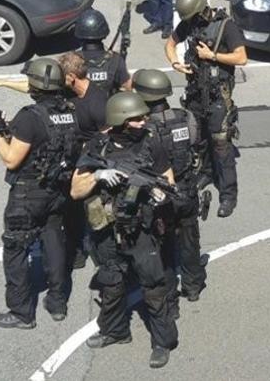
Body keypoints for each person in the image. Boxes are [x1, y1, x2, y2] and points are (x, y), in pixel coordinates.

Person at [71, 92, 178, 369]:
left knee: (153, 285)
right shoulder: (97, 147)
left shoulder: (151, 144)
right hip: (107, 228)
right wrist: (97, 175)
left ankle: (162, 342)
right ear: (120, 121)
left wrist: (160, 195)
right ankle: (115, 330)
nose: (144, 122)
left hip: (141, 227)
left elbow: (167, 178)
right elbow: (75, 189)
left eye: (144, 117)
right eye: (137, 119)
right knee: (111, 280)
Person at [0, 58, 79, 329]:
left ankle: (21, 312)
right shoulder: (70, 111)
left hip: (28, 194)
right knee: (53, 240)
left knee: (16, 247)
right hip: (57, 191)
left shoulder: (29, 117)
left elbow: (11, 159)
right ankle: (57, 302)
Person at [165, 0, 248, 218]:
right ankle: (206, 173)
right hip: (194, 95)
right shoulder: (189, 25)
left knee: (222, 145)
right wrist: (175, 64)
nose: (190, 22)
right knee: (198, 141)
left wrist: (212, 56)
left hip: (217, 96)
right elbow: (170, 44)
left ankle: (228, 195)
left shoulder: (225, 27)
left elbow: (241, 57)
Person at [133, 68, 206, 310]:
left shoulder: (143, 129)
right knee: (190, 240)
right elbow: (196, 143)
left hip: (161, 193)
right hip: (187, 188)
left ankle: (170, 301)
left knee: (163, 248)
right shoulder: (186, 117)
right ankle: (193, 287)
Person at [74, 8, 132, 96]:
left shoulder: (71, 60)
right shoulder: (116, 60)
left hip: (80, 108)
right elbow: (128, 87)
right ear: (104, 34)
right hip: (107, 107)